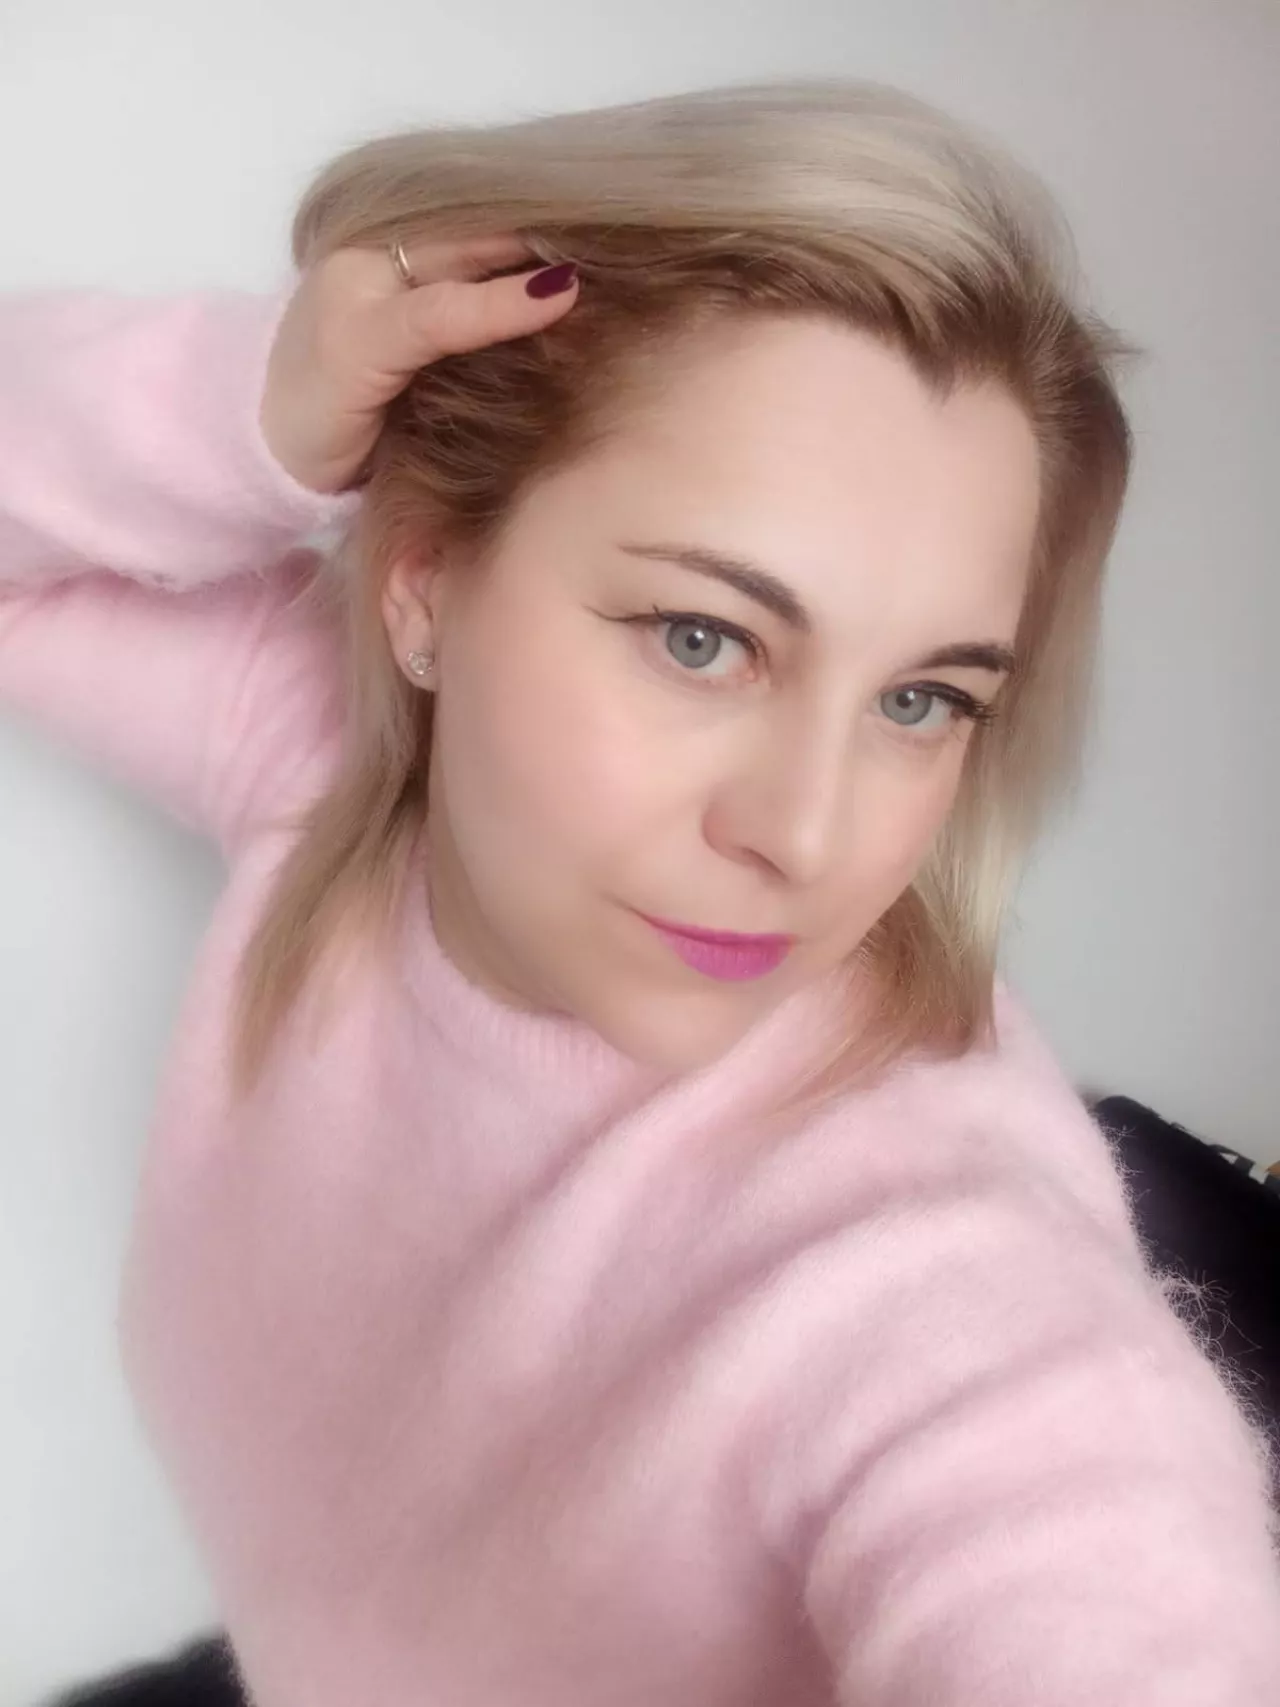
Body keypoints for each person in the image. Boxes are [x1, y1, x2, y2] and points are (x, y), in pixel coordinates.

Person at [4, 76, 1278, 1707]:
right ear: (425, 585)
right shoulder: (326, 768)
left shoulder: (934, 1283)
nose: (804, 834)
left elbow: (1073, 1536)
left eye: (921, 698)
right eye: (703, 637)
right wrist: (251, 403)